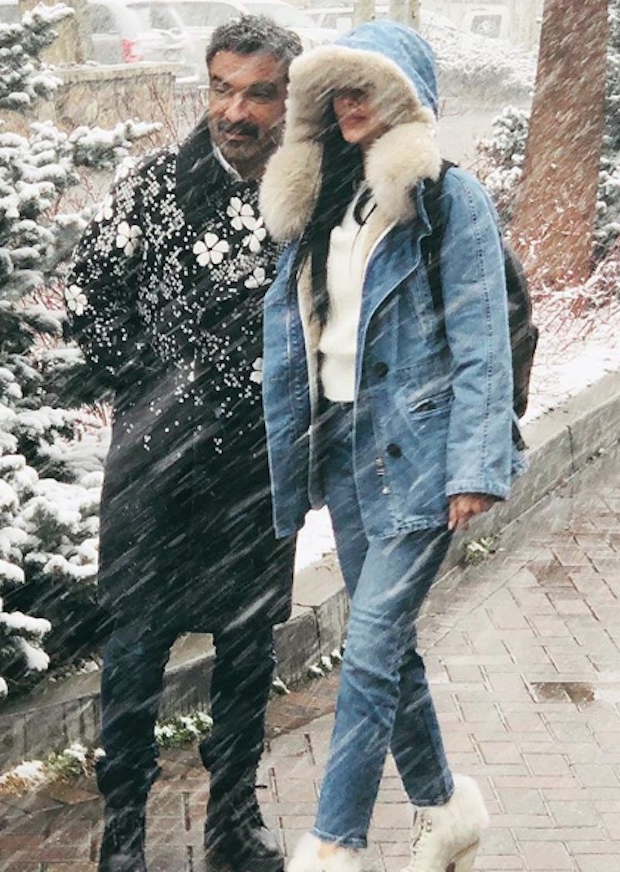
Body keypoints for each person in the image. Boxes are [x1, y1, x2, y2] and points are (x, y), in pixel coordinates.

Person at [259, 19, 525, 872]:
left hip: (420, 453)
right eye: (337, 88)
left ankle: (333, 844)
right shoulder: (329, 204)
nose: (349, 102)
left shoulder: (447, 199)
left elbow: (483, 340)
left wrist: (474, 464)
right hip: (345, 451)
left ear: (404, 98)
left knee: (369, 649)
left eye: (365, 86)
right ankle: (446, 810)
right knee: (389, 650)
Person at [65, 16, 302, 872]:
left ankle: (233, 821)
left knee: (248, 653)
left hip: (255, 472)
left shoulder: (307, 200)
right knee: (134, 655)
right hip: (153, 476)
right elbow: (87, 303)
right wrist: (161, 383)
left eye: (259, 94)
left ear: (288, 99)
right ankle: (123, 831)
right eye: (222, 89)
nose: (235, 112)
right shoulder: (151, 190)